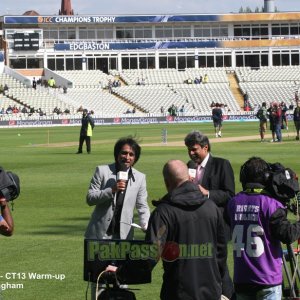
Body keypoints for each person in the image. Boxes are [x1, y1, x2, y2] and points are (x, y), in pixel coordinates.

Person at [106, 160, 228, 300]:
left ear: (166, 183)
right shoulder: (212, 207)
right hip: (211, 291)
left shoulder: (163, 212)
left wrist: (121, 273)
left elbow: (150, 255)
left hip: (178, 292)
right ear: (189, 178)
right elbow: (221, 254)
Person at [84, 136, 150, 300]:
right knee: (98, 280)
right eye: (124, 153)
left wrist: (145, 223)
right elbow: (90, 198)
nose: (127, 157)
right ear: (117, 154)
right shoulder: (102, 171)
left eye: (131, 154)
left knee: (122, 277)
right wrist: (111, 190)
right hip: (100, 236)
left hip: (123, 237)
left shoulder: (140, 177)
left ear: (135, 158)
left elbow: (142, 205)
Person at [227, 156, 300, 300]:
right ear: (266, 178)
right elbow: (288, 235)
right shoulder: (271, 205)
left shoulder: (233, 203)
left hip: (242, 279)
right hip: (267, 280)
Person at [184, 131, 235, 298]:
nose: (191, 153)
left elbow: (229, 195)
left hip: (216, 227)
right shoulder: (188, 167)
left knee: (219, 266)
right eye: (189, 150)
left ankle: (227, 295)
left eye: (194, 149)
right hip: (193, 226)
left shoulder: (222, 164)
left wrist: (207, 193)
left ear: (205, 147)